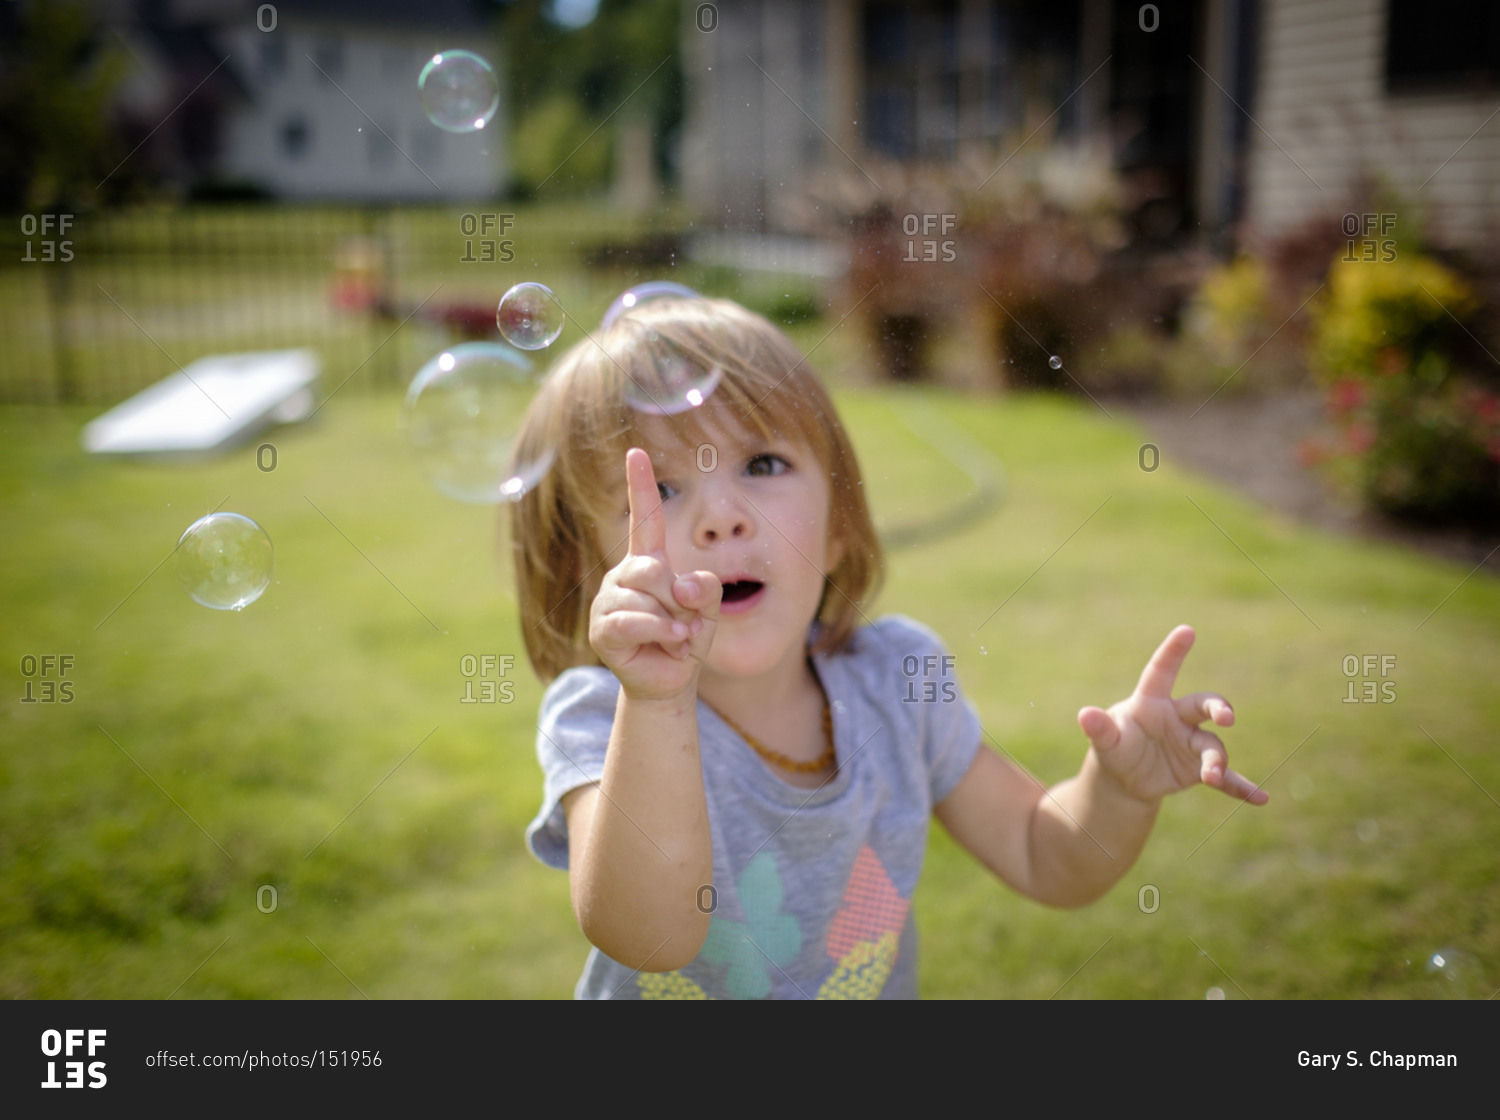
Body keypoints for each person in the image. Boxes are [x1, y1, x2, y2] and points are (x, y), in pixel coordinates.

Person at [512, 290, 1265, 999]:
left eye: (763, 464)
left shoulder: (897, 682)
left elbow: (1048, 857)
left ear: (839, 525)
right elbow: (650, 936)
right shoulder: (602, 718)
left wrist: (1118, 791)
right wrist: (656, 701)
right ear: (588, 567)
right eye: (661, 489)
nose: (721, 519)